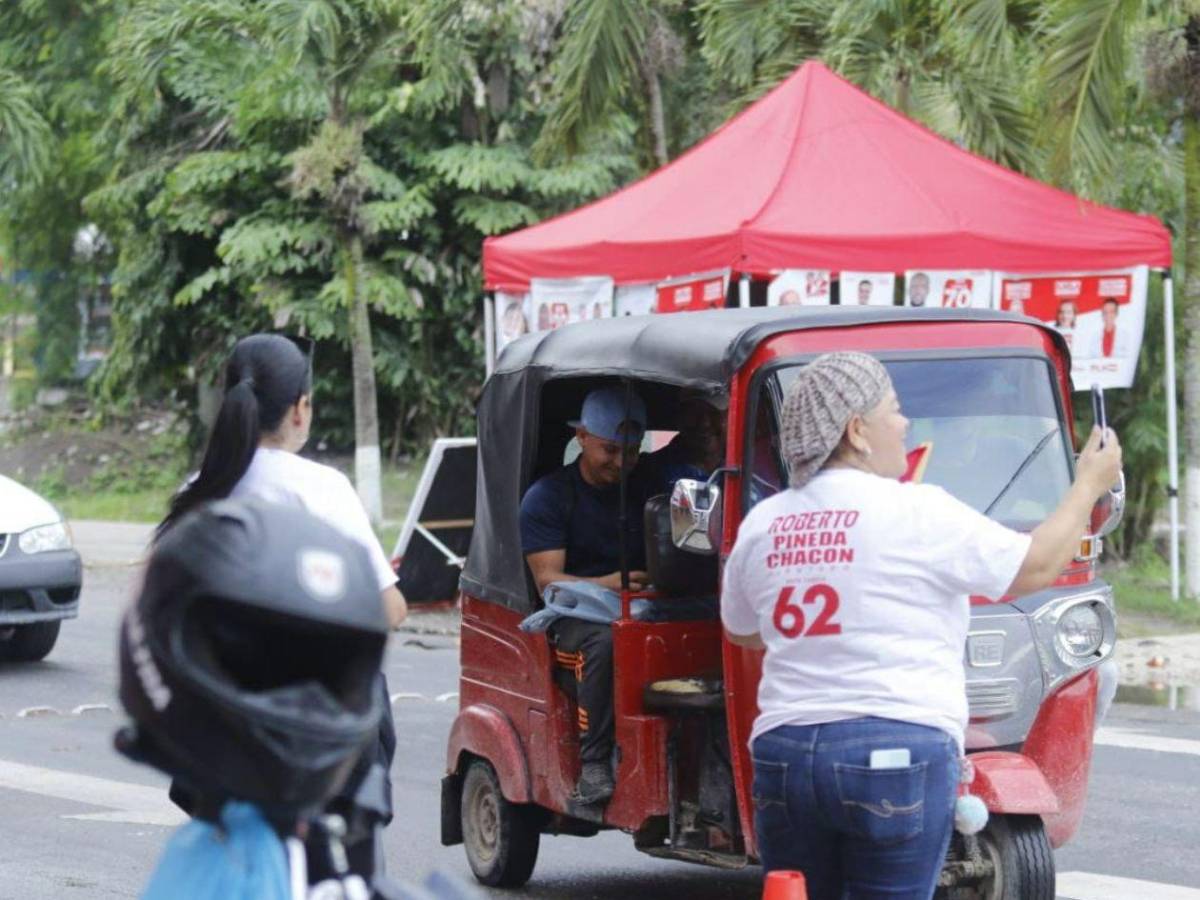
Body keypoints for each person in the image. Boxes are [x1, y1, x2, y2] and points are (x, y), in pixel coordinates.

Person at [720, 352, 1122, 900]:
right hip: (895, 749)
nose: (905, 425)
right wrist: (1087, 487)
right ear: (857, 431)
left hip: (784, 755)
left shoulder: (764, 522)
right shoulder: (919, 511)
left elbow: (743, 629)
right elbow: (1036, 566)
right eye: (895, 409)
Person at [156, 333, 406, 881]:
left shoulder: (200, 489)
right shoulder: (323, 488)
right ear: (301, 408)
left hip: (221, 731)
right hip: (322, 739)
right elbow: (389, 610)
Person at [519, 386, 660, 804]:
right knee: (605, 641)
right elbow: (549, 582)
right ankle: (595, 763)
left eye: (632, 451)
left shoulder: (648, 486)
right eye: (610, 450)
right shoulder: (547, 498)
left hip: (646, 605)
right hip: (573, 618)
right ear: (581, 437)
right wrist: (611, 584)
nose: (622, 462)